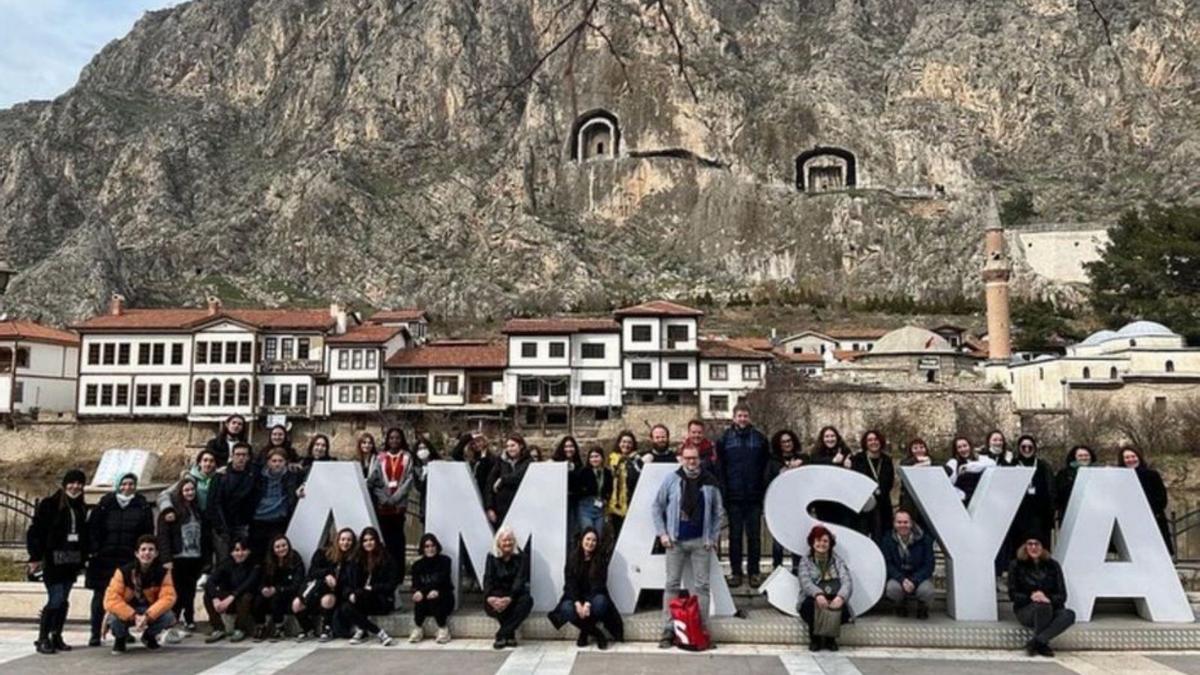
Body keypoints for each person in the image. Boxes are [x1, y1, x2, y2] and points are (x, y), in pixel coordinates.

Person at [653, 445, 722, 650]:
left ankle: (701, 629)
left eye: (695, 458)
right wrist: (662, 533)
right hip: (676, 541)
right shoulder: (671, 479)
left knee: (702, 587)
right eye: (688, 458)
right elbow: (657, 507)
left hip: (701, 542)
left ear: (699, 459)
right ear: (681, 459)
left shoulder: (710, 481)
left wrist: (714, 536)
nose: (691, 462)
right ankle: (668, 629)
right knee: (672, 585)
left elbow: (718, 512)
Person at [85, 472, 154, 647]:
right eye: (124, 484)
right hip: (104, 558)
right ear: (118, 485)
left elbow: (147, 533)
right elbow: (93, 529)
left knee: (127, 598)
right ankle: (95, 632)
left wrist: (140, 555)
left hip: (128, 560)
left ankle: (121, 632)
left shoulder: (142, 506)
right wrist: (94, 550)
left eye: (131, 484)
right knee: (100, 596)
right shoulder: (105, 504)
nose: (127, 487)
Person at [26, 468, 89, 655]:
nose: (75, 486)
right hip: (52, 560)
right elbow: (35, 532)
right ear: (64, 485)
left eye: (79, 483)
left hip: (71, 561)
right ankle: (42, 637)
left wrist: (84, 558)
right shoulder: (49, 504)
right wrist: (35, 557)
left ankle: (56, 635)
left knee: (64, 601)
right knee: (56, 599)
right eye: (72, 483)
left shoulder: (80, 506)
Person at [716, 403, 770, 588]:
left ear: (750, 417)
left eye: (745, 416)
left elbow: (765, 468)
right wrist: (724, 493)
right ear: (734, 417)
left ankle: (754, 572)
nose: (743, 419)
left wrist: (763, 492)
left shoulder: (760, 439)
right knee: (735, 537)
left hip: (754, 497)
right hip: (733, 497)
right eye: (739, 416)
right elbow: (721, 468)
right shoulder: (724, 439)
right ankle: (736, 572)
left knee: (754, 537)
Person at [549, 527, 624, 648]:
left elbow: (599, 584)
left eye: (594, 540)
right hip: (576, 597)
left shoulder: (601, 559)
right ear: (582, 540)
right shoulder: (572, 558)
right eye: (588, 539)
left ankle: (584, 632)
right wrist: (578, 604)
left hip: (594, 596)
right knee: (566, 608)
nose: (590, 543)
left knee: (601, 603)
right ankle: (596, 633)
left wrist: (588, 604)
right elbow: (570, 584)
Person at [103, 535, 177, 654]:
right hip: (128, 610)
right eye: (143, 549)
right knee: (113, 617)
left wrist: (148, 616)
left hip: (149, 610)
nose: (147, 553)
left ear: (156, 553)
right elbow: (111, 600)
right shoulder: (123, 572)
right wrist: (133, 615)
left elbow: (168, 597)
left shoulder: (163, 573)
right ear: (137, 553)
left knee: (168, 616)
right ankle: (120, 639)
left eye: (151, 549)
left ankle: (149, 637)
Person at [156, 477, 208, 641]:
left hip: (194, 557)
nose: (189, 493)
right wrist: (166, 558)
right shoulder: (171, 512)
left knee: (190, 590)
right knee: (177, 591)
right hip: (177, 557)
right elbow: (163, 536)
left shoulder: (198, 510)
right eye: (186, 490)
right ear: (180, 492)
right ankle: (173, 620)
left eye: (192, 490)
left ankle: (190, 618)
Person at [1008, 534, 1075, 657]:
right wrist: (1031, 596)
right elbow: (1012, 595)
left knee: (1069, 614)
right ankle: (1042, 645)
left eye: (1037, 544)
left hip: (1051, 607)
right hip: (1026, 610)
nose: (1033, 547)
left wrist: (1047, 598)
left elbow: (1062, 596)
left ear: (1043, 547)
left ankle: (1038, 642)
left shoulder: (1053, 565)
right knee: (1042, 606)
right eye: (1030, 544)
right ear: (1025, 546)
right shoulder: (1016, 565)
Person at [293, 527, 359, 642]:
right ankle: (307, 628)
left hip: (333, 592)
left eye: (349, 540)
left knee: (327, 600)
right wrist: (327, 574)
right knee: (296, 604)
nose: (345, 543)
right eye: (343, 539)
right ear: (337, 540)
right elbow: (312, 572)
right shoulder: (322, 553)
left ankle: (326, 628)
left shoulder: (352, 559)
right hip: (313, 589)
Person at [1000, 435, 1055, 566]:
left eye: (1030, 447)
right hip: (1019, 514)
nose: (1026, 449)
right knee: (1020, 546)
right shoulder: (1013, 464)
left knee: (1040, 544)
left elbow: (1051, 489)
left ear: (1034, 448)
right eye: (1023, 447)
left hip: (1040, 514)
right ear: (1019, 448)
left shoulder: (1043, 465)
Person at [797, 525, 852, 652]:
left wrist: (841, 597)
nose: (821, 544)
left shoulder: (837, 561)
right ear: (812, 542)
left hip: (833, 595)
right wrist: (818, 594)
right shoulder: (805, 561)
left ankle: (830, 640)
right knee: (809, 606)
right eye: (818, 540)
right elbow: (805, 582)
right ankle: (815, 639)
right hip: (813, 598)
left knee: (841, 609)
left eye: (825, 541)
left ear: (830, 543)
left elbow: (847, 581)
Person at [367, 427, 415, 569]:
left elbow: (409, 480)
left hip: (398, 507)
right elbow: (373, 481)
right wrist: (384, 499)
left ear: (402, 440)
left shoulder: (407, 457)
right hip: (383, 507)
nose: (394, 440)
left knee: (398, 541)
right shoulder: (380, 457)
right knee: (383, 540)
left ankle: (398, 573)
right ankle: (384, 571)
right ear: (387, 440)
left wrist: (394, 499)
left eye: (397, 438)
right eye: (391, 438)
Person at [342, 527, 397, 646]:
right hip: (360, 598)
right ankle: (378, 632)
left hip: (380, 599)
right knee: (346, 607)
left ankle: (362, 629)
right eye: (365, 540)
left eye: (371, 539)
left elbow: (391, 585)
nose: (368, 543)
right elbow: (347, 583)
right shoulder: (356, 560)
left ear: (377, 541)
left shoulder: (387, 559)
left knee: (360, 596)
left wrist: (373, 588)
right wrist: (350, 594)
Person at [483, 526, 533, 649]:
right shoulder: (491, 556)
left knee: (527, 601)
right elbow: (488, 578)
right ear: (498, 542)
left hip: (514, 594)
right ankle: (509, 635)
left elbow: (520, 579)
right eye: (504, 540)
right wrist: (489, 597)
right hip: (496, 594)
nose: (507, 543)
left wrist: (510, 597)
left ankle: (502, 634)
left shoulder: (521, 557)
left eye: (510, 540)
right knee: (498, 605)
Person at [880, 510, 935, 619]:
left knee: (927, 591)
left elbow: (929, 565)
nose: (902, 525)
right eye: (899, 522)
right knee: (892, 589)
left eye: (906, 522)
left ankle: (922, 606)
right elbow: (887, 563)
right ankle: (900, 604)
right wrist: (902, 579)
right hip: (899, 577)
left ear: (911, 523)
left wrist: (914, 580)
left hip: (919, 577)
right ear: (894, 524)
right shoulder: (887, 540)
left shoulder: (925, 539)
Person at [203, 538, 259, 643]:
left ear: (249, 551)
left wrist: (232, 597)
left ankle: (240, 629)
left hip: (245, 598)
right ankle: (218, 628)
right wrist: (215, 598)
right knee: (207, 595)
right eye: (236, 550)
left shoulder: (254, 565)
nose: (240, 553)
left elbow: (248, 584)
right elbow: (210, 582)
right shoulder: (226, 564)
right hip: (230, 598)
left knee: (246, 597)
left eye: (243, 550)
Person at [1120, 446, 1173, 555]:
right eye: (1127, 457)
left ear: (1139, 457)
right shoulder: (1118, 476)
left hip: (1153, 518)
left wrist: (1147, 511)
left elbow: (1162, 498)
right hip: (1129, 521)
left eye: (1133, 456)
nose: (1131, 460)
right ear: (1122, 460)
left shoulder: (1152, 475)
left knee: (1156, 552)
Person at [209, 442, 257, 565]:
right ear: (232, 456)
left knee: (241, 560)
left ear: (248, 457)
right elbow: (213, 502)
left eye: (244, 455)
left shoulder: (253, 474)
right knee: (223, 560)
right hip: (223, 525)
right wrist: (219, 525)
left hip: (242, 524)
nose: (241, 458)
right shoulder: (220, 476)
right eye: (238, 454)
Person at [250, 449, 302, 559]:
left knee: (276, 555)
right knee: (257, 554)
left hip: (278, 521)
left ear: (285, 462)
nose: (277, 464)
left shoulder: (292, 476)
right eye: (274, 461)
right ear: (268, 462)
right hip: (258, 520)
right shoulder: (258, 476)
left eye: (280, 461)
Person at [252, 534, 305, 642]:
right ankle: (260, 626)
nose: (281, 549)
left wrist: (277, 589)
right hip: (272, 590)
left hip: (288, 591)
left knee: (277, 599)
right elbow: (262, 580)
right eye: (278, 547)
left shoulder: (295, 559)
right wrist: (263, 589)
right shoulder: (269, 562)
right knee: (258, 599)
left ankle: (279, 628)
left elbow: (297, 583)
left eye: (284, 545)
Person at [767, 430, 806, 571]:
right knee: (778, 540)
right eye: (783, 442)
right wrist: (780, 474)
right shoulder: (773, 462)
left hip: (798, 505)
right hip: (779, 506)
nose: (787, 444)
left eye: (789, 441)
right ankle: (777, 568)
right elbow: (766, 481)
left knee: (797, 537)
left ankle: (798, 568)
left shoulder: (803, 459)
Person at [408, 533, 454, 644]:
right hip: (425, 600)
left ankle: (443, 628)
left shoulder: (445, 561)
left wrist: (431, 591)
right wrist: (417, 593)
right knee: (420, 598)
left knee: (433, 596)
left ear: (437, 546)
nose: (430, 549)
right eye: (427, 546)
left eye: (432, 545)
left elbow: (442, 582)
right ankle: (418, 628)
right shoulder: (417, 565)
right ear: (422, 549)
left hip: (444, 597)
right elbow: (415, 585)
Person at [809, 426, 856, 527]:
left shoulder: (845, 451)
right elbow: (816, 467)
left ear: (837, 437)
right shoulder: (816, 454)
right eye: (827, 436)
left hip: (843, 499)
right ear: (822, 439)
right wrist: (833, 462)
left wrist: (850, 466)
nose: (830, 439)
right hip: (824, 500)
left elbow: (852, 475)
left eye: (832, 436)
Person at [486, 434, 531, 524]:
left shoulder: (528, 461)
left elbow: (519, 476)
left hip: (522, 509)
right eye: (507, 446)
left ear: (521, 446)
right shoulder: (501, 462)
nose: (510, 449)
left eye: (513, 445)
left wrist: (503, 479)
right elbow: (490, 484)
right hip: (501, 510)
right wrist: (489, 507)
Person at [606, 430, 643, 537]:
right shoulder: (612, 459)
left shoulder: (637, 459)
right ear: (619, 443)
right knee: (617, 535)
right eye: (623, 442)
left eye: (629, 443)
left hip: (632, 502)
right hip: (615, 505)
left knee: (631, 535)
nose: (626, 445)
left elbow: (639, 476)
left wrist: (633, 461)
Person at [944, 436, 995, 506]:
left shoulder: (980, 459)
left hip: (981, 498)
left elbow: (992, 463)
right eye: (959, 447)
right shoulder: (953, 462)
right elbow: (948, 482)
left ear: (970, 446)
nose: (963, 449)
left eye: (965, 446)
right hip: (964, 500)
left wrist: (968, 467)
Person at [575, 447, 614, 537]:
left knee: (598, 535)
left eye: (597, 456)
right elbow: (578, 488)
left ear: (602, 458)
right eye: (591, 457)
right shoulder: (584, 472)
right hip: (586, 507)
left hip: (600, 508)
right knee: (587, 533)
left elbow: (610, 488)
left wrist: (606, 499)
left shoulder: (607, 473)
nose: (594, 459)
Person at [1054, 445, 1096, 525]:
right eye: (1080, 456)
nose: (1084, 458)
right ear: (1074, 457)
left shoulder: (1098, 472)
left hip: (1092, 514)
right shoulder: (1064, 474)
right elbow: (1059, 494)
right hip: (1070, 514)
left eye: (1086, 455)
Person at [897, 438, 934, 529]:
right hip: (910, 501)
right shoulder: (906, 462)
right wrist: (917, 460)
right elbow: (901, 467)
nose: (919, 450)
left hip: (928, 499)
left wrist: (930, 463)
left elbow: (948, 470)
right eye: (915, 448)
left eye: (921, 447)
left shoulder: (931, 461)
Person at [553, 436, 584, 538]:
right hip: (559, 503)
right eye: (566, 446)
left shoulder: (579, 465)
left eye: (571, 446)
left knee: (573, 531)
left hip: (574, 502)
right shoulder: (555, 462)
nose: (569, 449)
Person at [411, 435, 441, 524]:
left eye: (424, 447)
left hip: (438, 505)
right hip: (425, 507)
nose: (422, 450)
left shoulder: (438, 464)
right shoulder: (416, 469)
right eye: (420, 448)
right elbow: (418, 488)